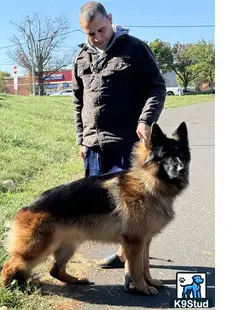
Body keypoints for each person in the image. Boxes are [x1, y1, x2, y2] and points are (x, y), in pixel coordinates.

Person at [72, 1, 166, 269]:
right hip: (93, 146)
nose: (97, 38)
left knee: (134, 208)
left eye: (101, 30)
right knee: (105, 206)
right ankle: (124, 252)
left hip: (127, 143)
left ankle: (131, 266)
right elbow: (78, 102)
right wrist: (81, 138)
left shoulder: (134, 49)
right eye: (90, 33)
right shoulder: (80, 58)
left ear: (110, 19)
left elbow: (156, 87)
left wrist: (146, 120)